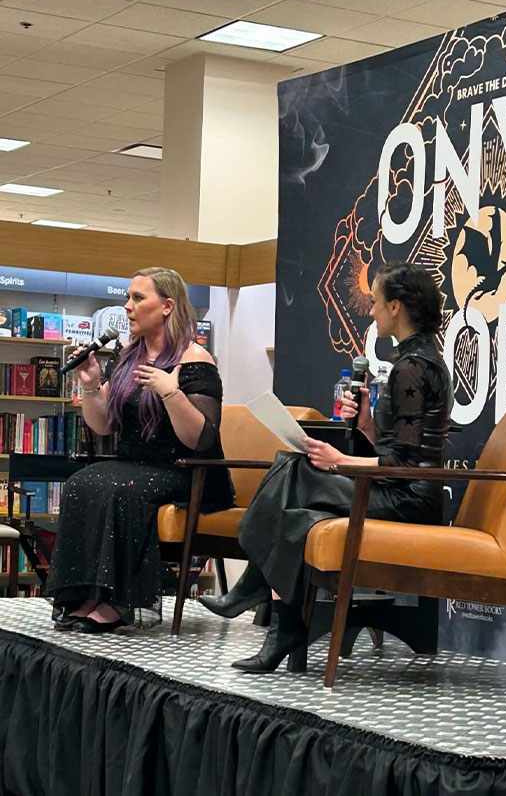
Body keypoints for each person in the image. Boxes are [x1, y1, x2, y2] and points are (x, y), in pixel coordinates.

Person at [200, 261, 454, 673]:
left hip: (409, 500)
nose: (369, 311)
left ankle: (256, 586)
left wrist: (340, 461)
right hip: (398, 489)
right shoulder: (419, 361)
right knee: (298, 515)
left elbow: (406, 465)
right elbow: (396, 448)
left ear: (396, 307)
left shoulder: (414, 367)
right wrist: (369, 426)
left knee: (294, 467)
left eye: (374, 303)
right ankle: (281, 624)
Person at [46, 267, 234, 633]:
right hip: (135, 463)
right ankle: (86, 596)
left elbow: (201, 439)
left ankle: (117, 603)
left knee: (119, 489)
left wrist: (170, 392)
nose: (127, 306)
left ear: (166, 306)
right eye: (127, 297)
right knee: (82, 482)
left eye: (137, 298)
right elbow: (103, 426)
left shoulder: (195, 359)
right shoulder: (128, 357)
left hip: (184, 470)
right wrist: (91, 384)